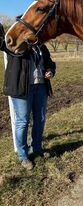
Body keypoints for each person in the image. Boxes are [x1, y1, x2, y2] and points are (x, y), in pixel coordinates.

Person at [0, 22, 56, 170]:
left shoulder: (41, 46)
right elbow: (2, 43)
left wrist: (50, 70)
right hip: (22, 89)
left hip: (41, 87)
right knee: (22, 122)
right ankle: (23, 155)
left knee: (41, 119)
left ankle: (36, 148)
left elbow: (50, 63)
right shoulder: (16, 46)